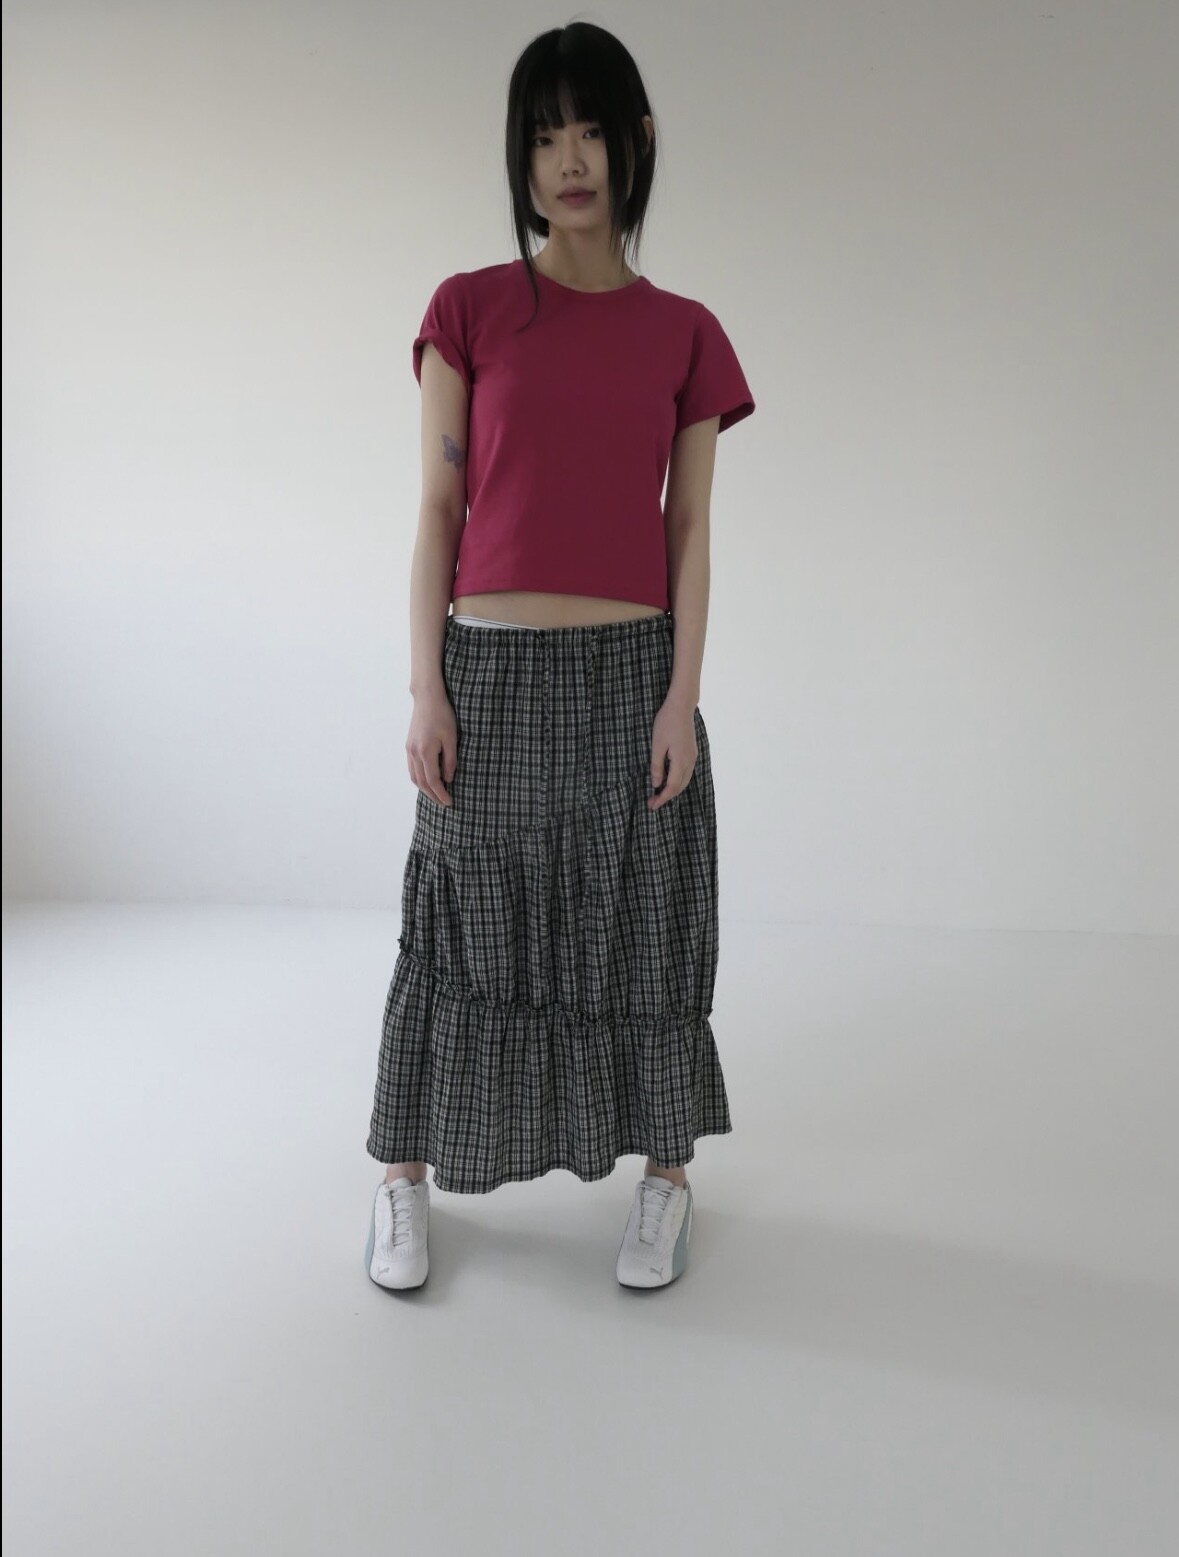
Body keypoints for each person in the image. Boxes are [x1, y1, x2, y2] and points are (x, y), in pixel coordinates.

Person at [363, 21, 756, 1292]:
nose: (569, 161)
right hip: (488, 670)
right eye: (543, 138)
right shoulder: (469, 309)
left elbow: (688, 530)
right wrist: (427, 685)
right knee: (455, 917)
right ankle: (402, 1177)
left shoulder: (686, 333)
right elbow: (437, 510)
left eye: (589, 131)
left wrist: (682, 697)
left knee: (640, 919)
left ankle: (667, 1180)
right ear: (520, 158)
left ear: (637, 142)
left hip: (630, 673)